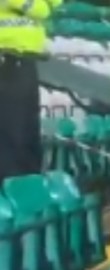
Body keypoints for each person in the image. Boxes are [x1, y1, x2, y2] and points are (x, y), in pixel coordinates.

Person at [0, 0, 60, 182]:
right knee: (13, 135)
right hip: (6, 59)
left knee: (28, 131)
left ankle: (29, 186)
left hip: (25, 60)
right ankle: (13, 190)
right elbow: (38, 9)